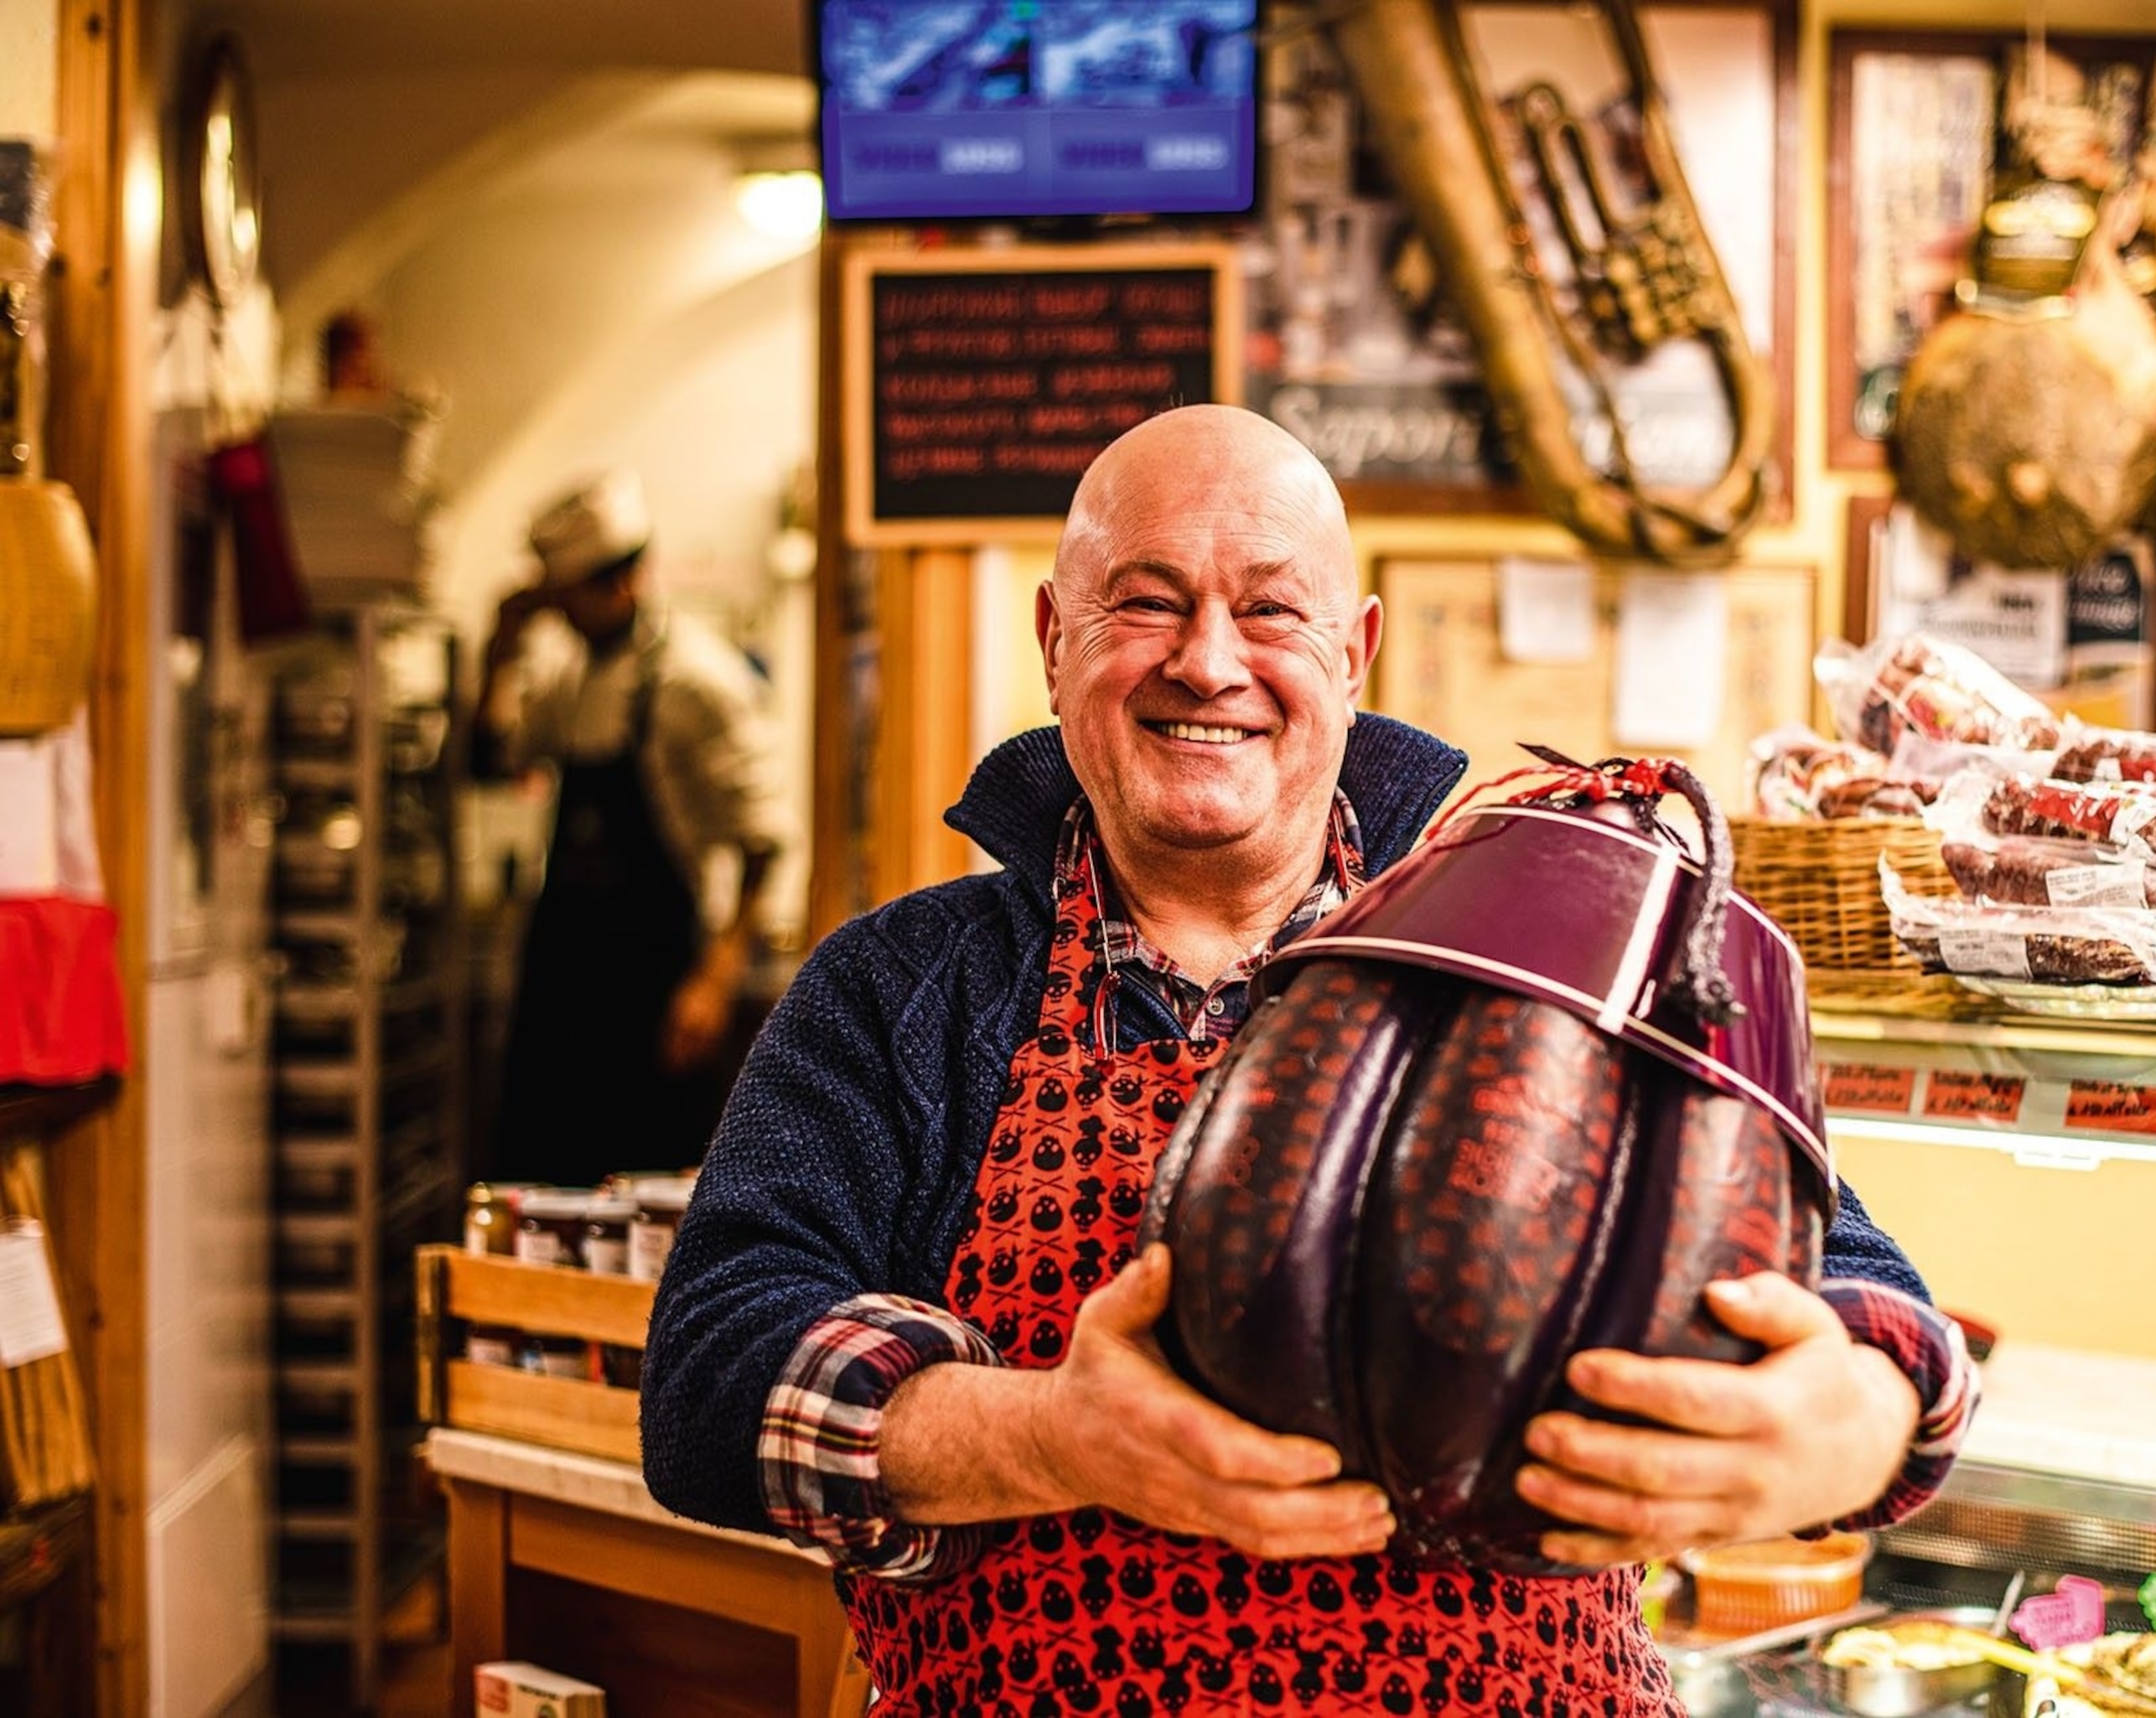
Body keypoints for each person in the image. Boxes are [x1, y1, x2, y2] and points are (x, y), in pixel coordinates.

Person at [641, 407, 1974, 1714]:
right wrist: (1053, 1435)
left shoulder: (1556, 946)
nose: (1208, 662)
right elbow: (707, 1385)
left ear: (1356, 652)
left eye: (1272, 611)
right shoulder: (901, 988)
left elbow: (1869, 1304)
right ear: (1056, 641)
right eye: (1146, 603)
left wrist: (1841, 1423)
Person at [473, 471, 794, 1186]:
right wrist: (501, 645)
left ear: (621, 582)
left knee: (645, 1187)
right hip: (566, 972)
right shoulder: (571, 679)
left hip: (655, 981)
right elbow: (494, 759)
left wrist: (713, 982)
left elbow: (764, 842)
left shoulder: (697, 679)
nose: (562, 616)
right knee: (543, 1178)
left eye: (571, 599)